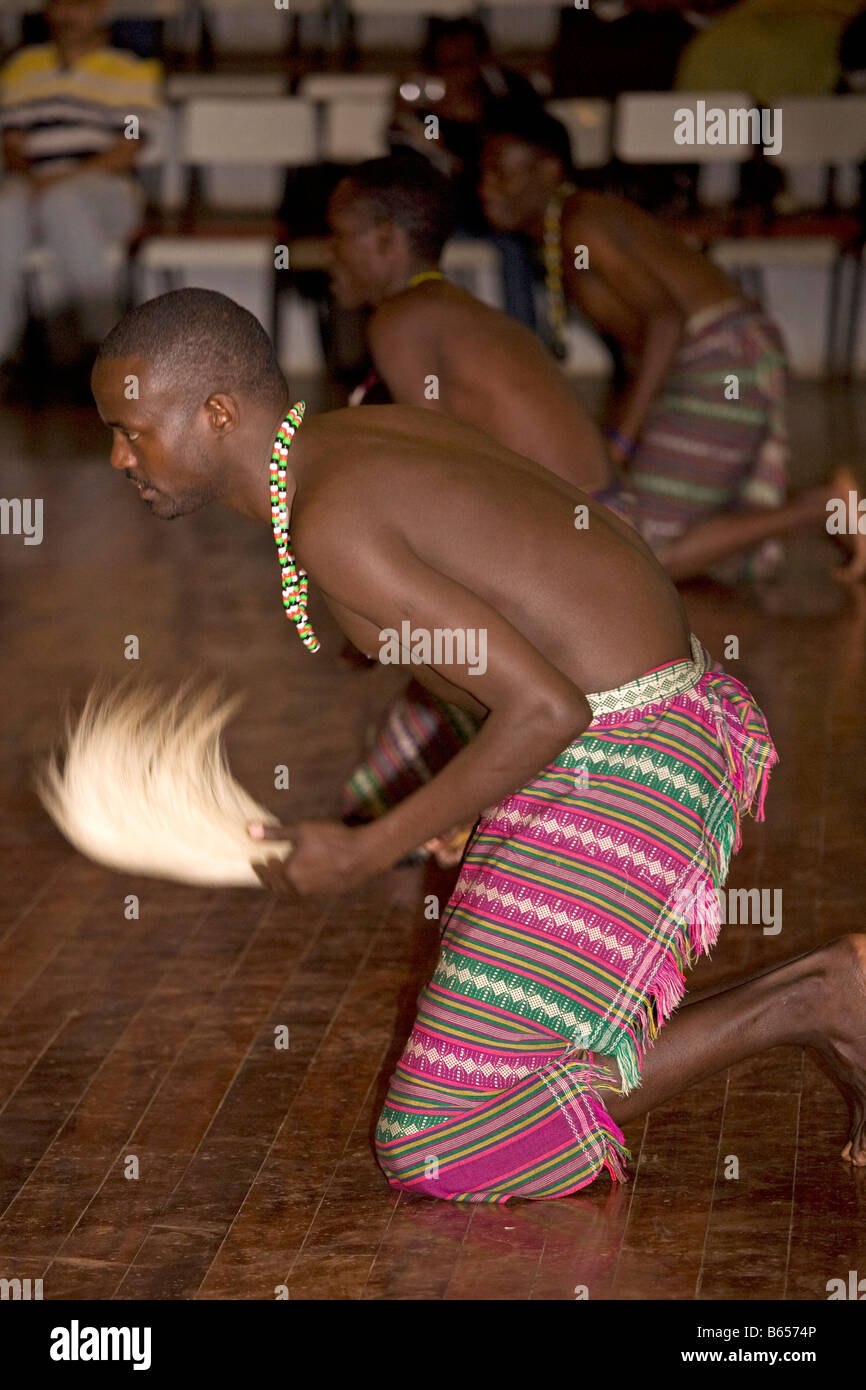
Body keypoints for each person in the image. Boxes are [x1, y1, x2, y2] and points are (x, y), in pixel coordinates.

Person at [89, 288, 866, 1201]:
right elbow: (513, 633)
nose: (118, 456)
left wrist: (369, 847)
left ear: (217, 412)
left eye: (132, 431)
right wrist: (470, 794)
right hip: (628, 724)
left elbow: (547, 709)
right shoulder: (353, 442)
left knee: (441, 1142)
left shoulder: (330, 517)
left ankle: (820, 998)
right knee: (474, 1088)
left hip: (634, 752)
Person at [327, 151, 865, 846]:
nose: (329, 254)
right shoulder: (448, 307)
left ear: (383, 241)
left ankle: (424, 814)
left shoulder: (401, 319)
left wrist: (376, 605)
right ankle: (403, 804)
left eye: (339, 235)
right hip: (589, 518)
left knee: (477, 665)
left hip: (575, 535)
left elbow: (435, 472)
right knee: (465, 663)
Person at [478, 109, 866, 585]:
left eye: (502, 170)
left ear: (549, 169)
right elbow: (645, 337)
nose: (487, 185)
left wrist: (622, 439)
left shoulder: (581, 222)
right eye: (483, 171)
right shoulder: (565, 230)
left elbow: (665, 321)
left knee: (642, 552)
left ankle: (820, 506)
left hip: (723, 359)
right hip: (711, 356)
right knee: (643, 529)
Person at [0, 0, 161, 389]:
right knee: (5, 209)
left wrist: (62, 179)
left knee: (64, 203)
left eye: (80, 5)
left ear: (101, 10)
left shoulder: (134, 69)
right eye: (60, 5)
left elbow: (129, 146)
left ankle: (103, 349)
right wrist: (33, 178)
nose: (68, 15)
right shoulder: (24, 67)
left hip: (105, 185)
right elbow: (12, 144)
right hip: (35, 183)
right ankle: (2, 352)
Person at [390, 16, 543, 330]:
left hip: (499, 214)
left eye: (464, 60)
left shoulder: (508, 95)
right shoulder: (420, 107)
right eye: (447, 62)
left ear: (483, 59)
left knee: (514, 250)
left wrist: (469, 120)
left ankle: (526, 347)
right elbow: (406, 173)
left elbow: (528, 150)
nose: (456, 69)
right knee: (405, 249)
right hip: (440, 214)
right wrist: (412, 122)